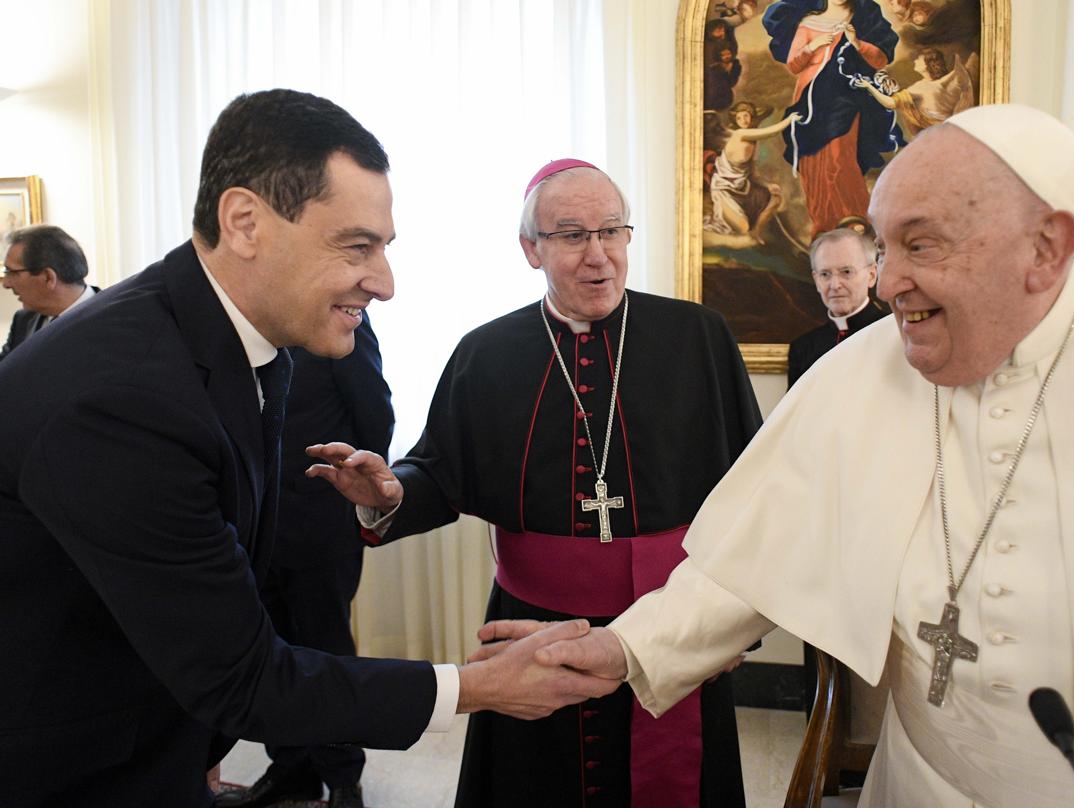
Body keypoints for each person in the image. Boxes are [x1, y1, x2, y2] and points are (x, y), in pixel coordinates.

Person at [513, 104, 1074, 807]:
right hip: (920, 786)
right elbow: (753, 560)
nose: (886, 279)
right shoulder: (861, 371)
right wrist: (626, 646)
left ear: (1047, 247)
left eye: (921, 245)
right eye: (883, 245)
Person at [0, 90, 615, 808]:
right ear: (245, 223)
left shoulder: (244, 339)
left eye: (384, 247)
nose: (385, 282)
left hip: (147, 730)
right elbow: (243, 677)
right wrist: (476, 686)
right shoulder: (125, 396)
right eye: (357, 246)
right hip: (67, 765)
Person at [308, 159, 762, 808]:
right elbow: (441, 471)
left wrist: (733, 624)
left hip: (674, 620)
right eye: (572, 235)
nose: (598, 255)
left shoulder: (698, 338)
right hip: (536, 627)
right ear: (531, 249)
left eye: (612, 231)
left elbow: (753, 493)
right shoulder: (487, 354)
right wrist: (391, 496)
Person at [216, 313, 394, 808]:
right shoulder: (236, 323)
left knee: (326, 649)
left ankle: (342, 777)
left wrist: (352, 495)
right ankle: (291, 767)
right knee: (269, 651)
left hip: (321, 524)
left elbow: (375, 414)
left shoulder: (337, 317)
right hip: (251, 523)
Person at [763, 0, 903, 234]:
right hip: (811, 97)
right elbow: (794, 65)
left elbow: (880, 59)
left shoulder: (857, 19)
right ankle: (824, 222)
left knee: (841, 155)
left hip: (845, 96)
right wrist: (812, 46)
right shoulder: (808, 22)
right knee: (813, 160)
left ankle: (855, 218)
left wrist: (857, 42)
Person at [787, 226, 888, 386]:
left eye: (846, 272)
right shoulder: (803, 348)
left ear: (872, 275)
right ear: (816, 281)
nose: (835, 285)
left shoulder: (896, 335)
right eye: (825, 274)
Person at [0, 225, 98, 361]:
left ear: (48, 277)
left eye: (12, 273)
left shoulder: (114, 318)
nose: (6, 284)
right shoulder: (23, 320)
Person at [704, 101, 794, 243]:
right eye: (739, 118)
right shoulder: (740, 134)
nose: (743, 120)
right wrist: (789, 120)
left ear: (751, 117)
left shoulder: (751, 142)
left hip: (742, 188)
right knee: (743, 227)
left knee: (776, 199)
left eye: (746, 116)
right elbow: (771, 132)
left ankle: (756, 232)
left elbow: (752, 173)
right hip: (724, 189)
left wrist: (767, 184)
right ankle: (744, 228)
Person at [853, 47, 976, 140]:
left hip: (937, 137)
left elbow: (890, 103)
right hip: (946, 134)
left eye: (919, 59)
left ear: (928, 64)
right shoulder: (942, 83)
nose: (915, 60)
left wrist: (869, 86)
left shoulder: (920, 89)